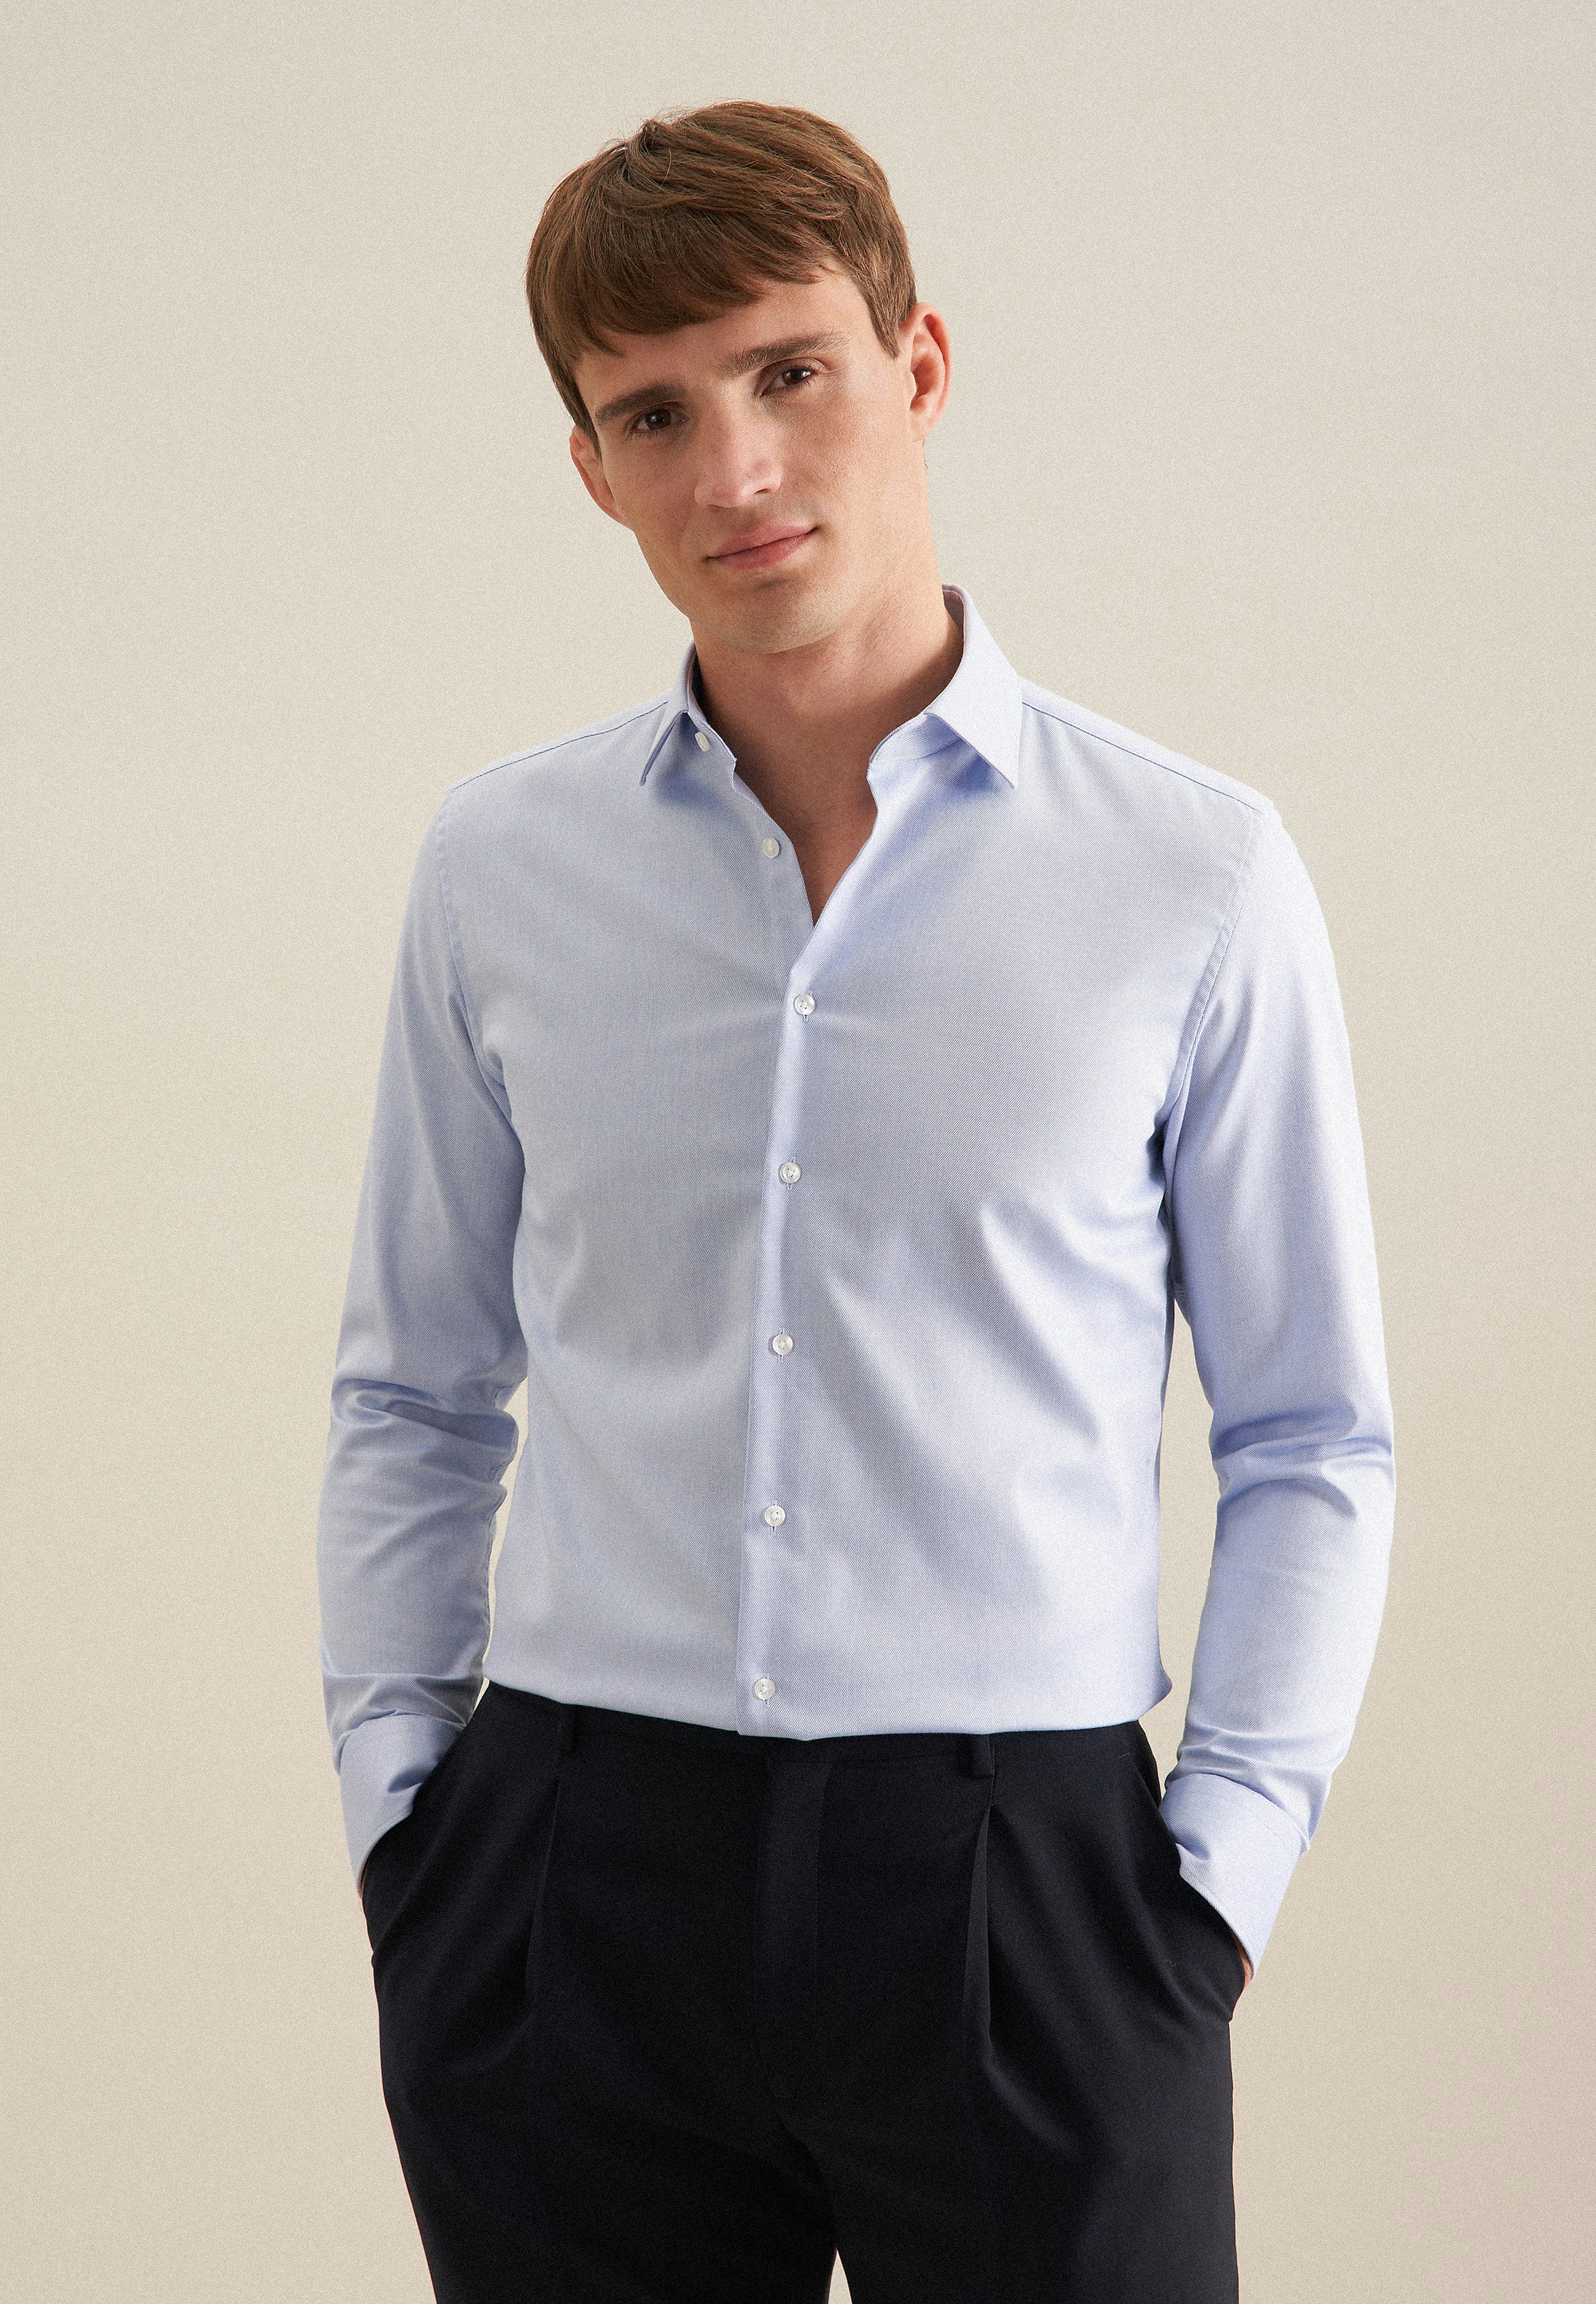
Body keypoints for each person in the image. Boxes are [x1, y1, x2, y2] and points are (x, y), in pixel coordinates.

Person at [316, 99, 1395, 2304]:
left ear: (918, 365)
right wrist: (407, 1832)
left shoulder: (1188, 874)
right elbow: (414, 1391)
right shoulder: (502, 871)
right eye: (654, 412)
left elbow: (1311, 1433)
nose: (735, 469)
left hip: (1022, 1879)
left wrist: (1207, 1894)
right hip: (573, 1879)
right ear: (592, 465)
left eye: (788, 371)